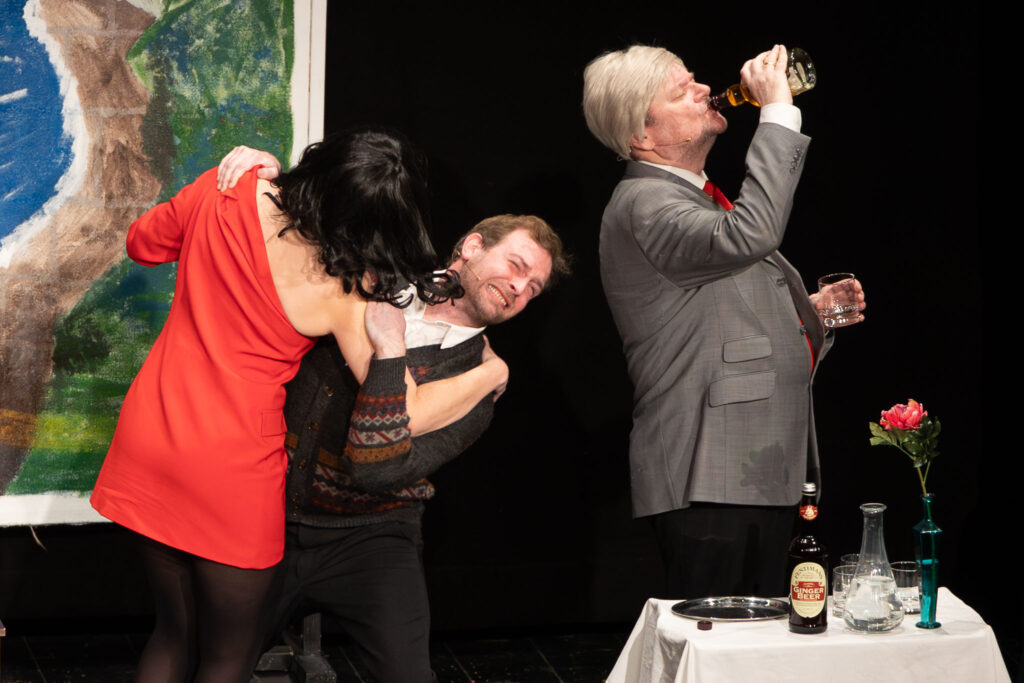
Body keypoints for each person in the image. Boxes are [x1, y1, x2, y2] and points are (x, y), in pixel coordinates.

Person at [89, 127, 509, 682]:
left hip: (151, 435)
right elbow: (404, 410)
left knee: (172, 634)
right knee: (226, 657)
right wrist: (492, 373)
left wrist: (259, 179)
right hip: (231, 469)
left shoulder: (227, 188)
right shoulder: (347, 291)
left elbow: (142, 242)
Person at [583, 44, 865, 598]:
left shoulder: (697, 200)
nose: (702, 90)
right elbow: (751, 234)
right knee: (721, 636)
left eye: (694, 78)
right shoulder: (645, 202)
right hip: (709, 472)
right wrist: (778, 111)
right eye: (680, 90)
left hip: (750, 468)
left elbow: (715, 318)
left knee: (765, 637)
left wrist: (809, 313)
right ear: (642, 135)